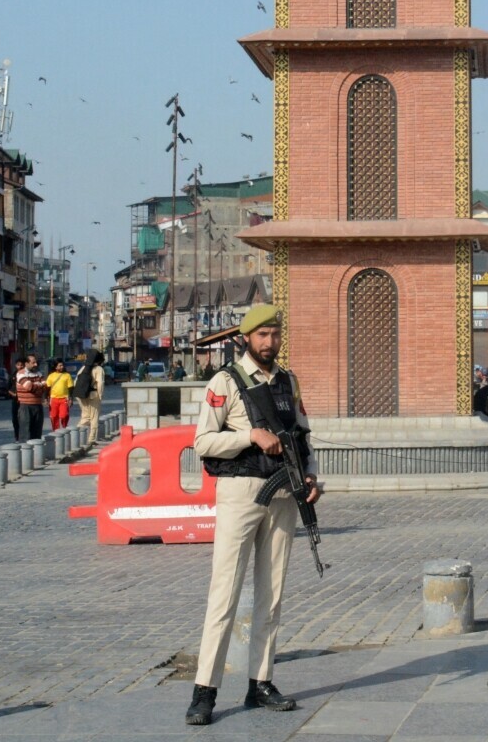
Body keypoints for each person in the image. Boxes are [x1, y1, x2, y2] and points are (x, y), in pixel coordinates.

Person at [185, 305, 319, 726]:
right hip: (241, 493)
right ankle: (205, 690)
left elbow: (303, 435)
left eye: (275, 334)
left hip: (283, 495)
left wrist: (313, 477)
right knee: (224, 592)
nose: (270, 342)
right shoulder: (225, 381)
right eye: (262, 335)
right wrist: (249, 436)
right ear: (246, 338)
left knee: (272, 592)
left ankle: (261, 681)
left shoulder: (288, 381)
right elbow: (203, 440)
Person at [13, 354, 46, 441]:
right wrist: (39, 385)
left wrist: (37, 386)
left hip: (38, 405)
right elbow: (29, 387)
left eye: (36, 362)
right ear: (26, 363)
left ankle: (36, 453)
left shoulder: (39, 373)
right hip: (25, 406)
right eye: (33, 363)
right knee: (25, 432)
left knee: (37, 432)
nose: (36, 364)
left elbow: (45, 386)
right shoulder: (21, 374)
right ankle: (25, 453)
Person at [74, 352, 106, 437]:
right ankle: (92, 439)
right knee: (94, 418)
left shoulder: (83, 368)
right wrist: (100, 395)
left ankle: (76, 435)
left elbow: (76, 382)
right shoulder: (99, 369)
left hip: (81, 395)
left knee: (85, 416)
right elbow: (100, 383)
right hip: (93, 395)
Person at [46, 358, 75, 430]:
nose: (62, 367)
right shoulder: (51, 376)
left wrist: (71, 399)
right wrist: (46, 398)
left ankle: (64, 427)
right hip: (53, 399)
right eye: (60, 365)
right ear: (55, 367)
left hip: (64, 399)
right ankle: (56, 431)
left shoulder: (67, 375)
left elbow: (71, 388)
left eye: (62, 365)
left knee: (64, 415)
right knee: (54, 416)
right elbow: (47, 388)